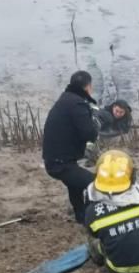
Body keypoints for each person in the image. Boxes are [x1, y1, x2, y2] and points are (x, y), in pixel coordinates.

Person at [42, 70, 99, 223]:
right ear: (88, 87)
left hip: (57, 159)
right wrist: (97, 125)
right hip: (60, 164)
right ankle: (97, 215)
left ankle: (81, 216)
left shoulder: (66, 99)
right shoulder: (77, 104)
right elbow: (89, 134)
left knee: (75, 184)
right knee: (97, 184)